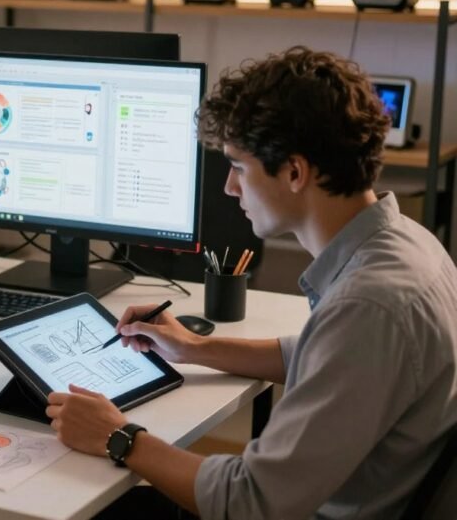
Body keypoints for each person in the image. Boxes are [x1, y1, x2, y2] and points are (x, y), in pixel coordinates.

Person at [46, 47, 457, 519]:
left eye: (239, 167)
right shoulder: (408, 245)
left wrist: (117, 437)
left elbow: (251, 502)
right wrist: (195, 348)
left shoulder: (370, 307)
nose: (229, 187)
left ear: (295, 172)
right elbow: (320, 352)